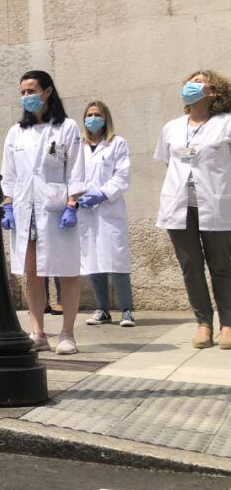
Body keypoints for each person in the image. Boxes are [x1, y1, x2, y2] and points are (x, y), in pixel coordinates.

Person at [1, 70, 86, 354]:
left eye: (32, 91)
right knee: (32, 272)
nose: (27, 97)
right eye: (23, 92)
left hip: (56, 209)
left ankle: (67, 333)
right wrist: (9, 205)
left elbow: (75, 167)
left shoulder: (67, 128)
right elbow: (9, 174)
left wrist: (72, 204)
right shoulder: (16, 132)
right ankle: (37, 332)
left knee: (66, 272)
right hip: (26, 210)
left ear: (47, 92)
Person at [155, 70, 231, 350]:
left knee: (221, 266)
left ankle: (228, 324)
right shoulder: (172, 127)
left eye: (199, 83)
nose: (191, 87)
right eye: (189, 82)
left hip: (217, 204)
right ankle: (203, 323)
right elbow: (169, 163)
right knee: (191, 267)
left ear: (214, 92)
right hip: (179, 206)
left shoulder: (226, 124)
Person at [77, 101, 136, 328]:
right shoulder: (78, 145)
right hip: (85, 210)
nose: (93, 118)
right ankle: (102, 309)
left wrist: (101, 194)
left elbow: (122, 176)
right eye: (89, 115)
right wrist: (77, 196)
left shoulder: (117, 143)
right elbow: (72, 174)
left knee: (116, 260)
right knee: (92, 260)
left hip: (109, 209)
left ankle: (127, 310)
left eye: (97, 114)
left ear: (106, 118)